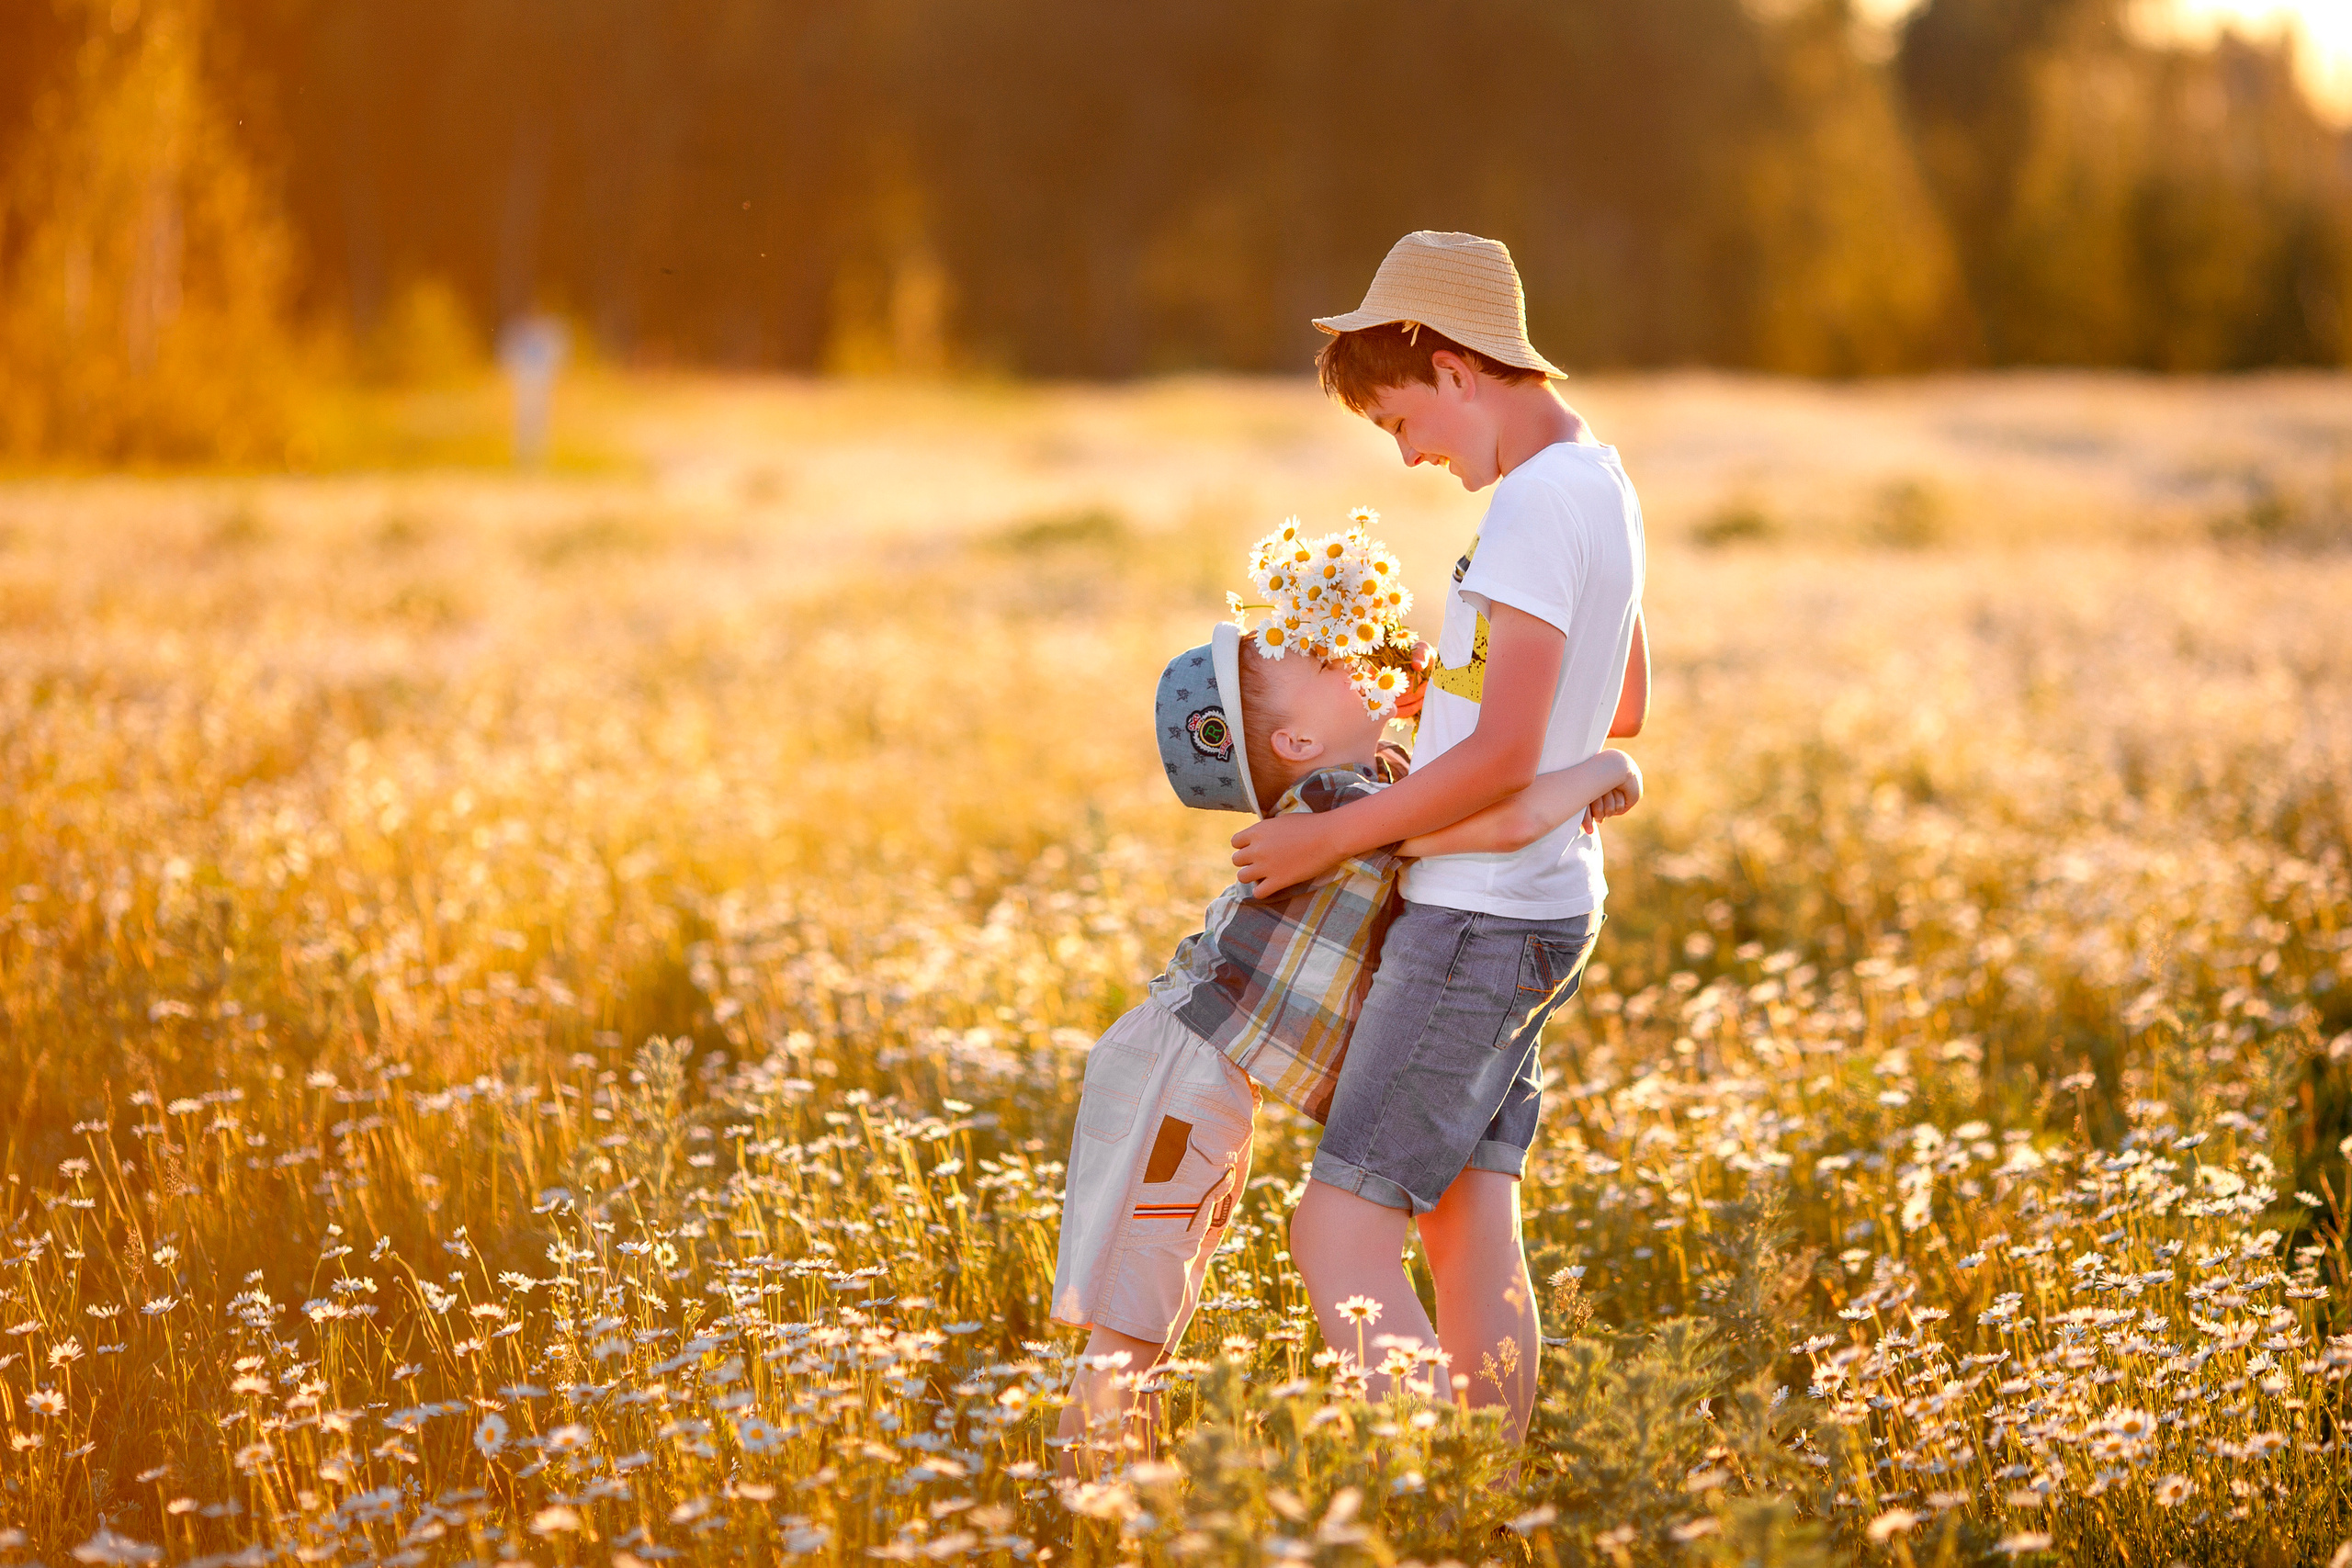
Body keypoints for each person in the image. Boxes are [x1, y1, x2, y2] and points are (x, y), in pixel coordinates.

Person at [1230, 231, 1649, 1442]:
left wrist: (1330, 837)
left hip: (1478, 913)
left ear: (1456, 364)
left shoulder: (1528, 504)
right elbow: (1619, 702)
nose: (1410, 452)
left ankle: (1437, 1489)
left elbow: (1511, 752)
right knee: (1469, 1228)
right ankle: (1494, 1508)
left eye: (1405, 419)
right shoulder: (1599, 480)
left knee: (1336, 1227)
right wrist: (1447, 690)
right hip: (1540, 900)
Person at [1052, 620, 1641, 1473]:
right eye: (1330, 661)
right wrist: (1601, 772)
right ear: (1298, 741)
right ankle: (1082, 1505)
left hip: (1203, 1078)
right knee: (1135, 1313)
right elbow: (1497, 822)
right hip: (1172, 1074)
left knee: (1149, 1304)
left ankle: (1097, 1495)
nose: (1348, 651)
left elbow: (1455, 776)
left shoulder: (1383, 780)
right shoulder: (1336, 803)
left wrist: (1420, 674)